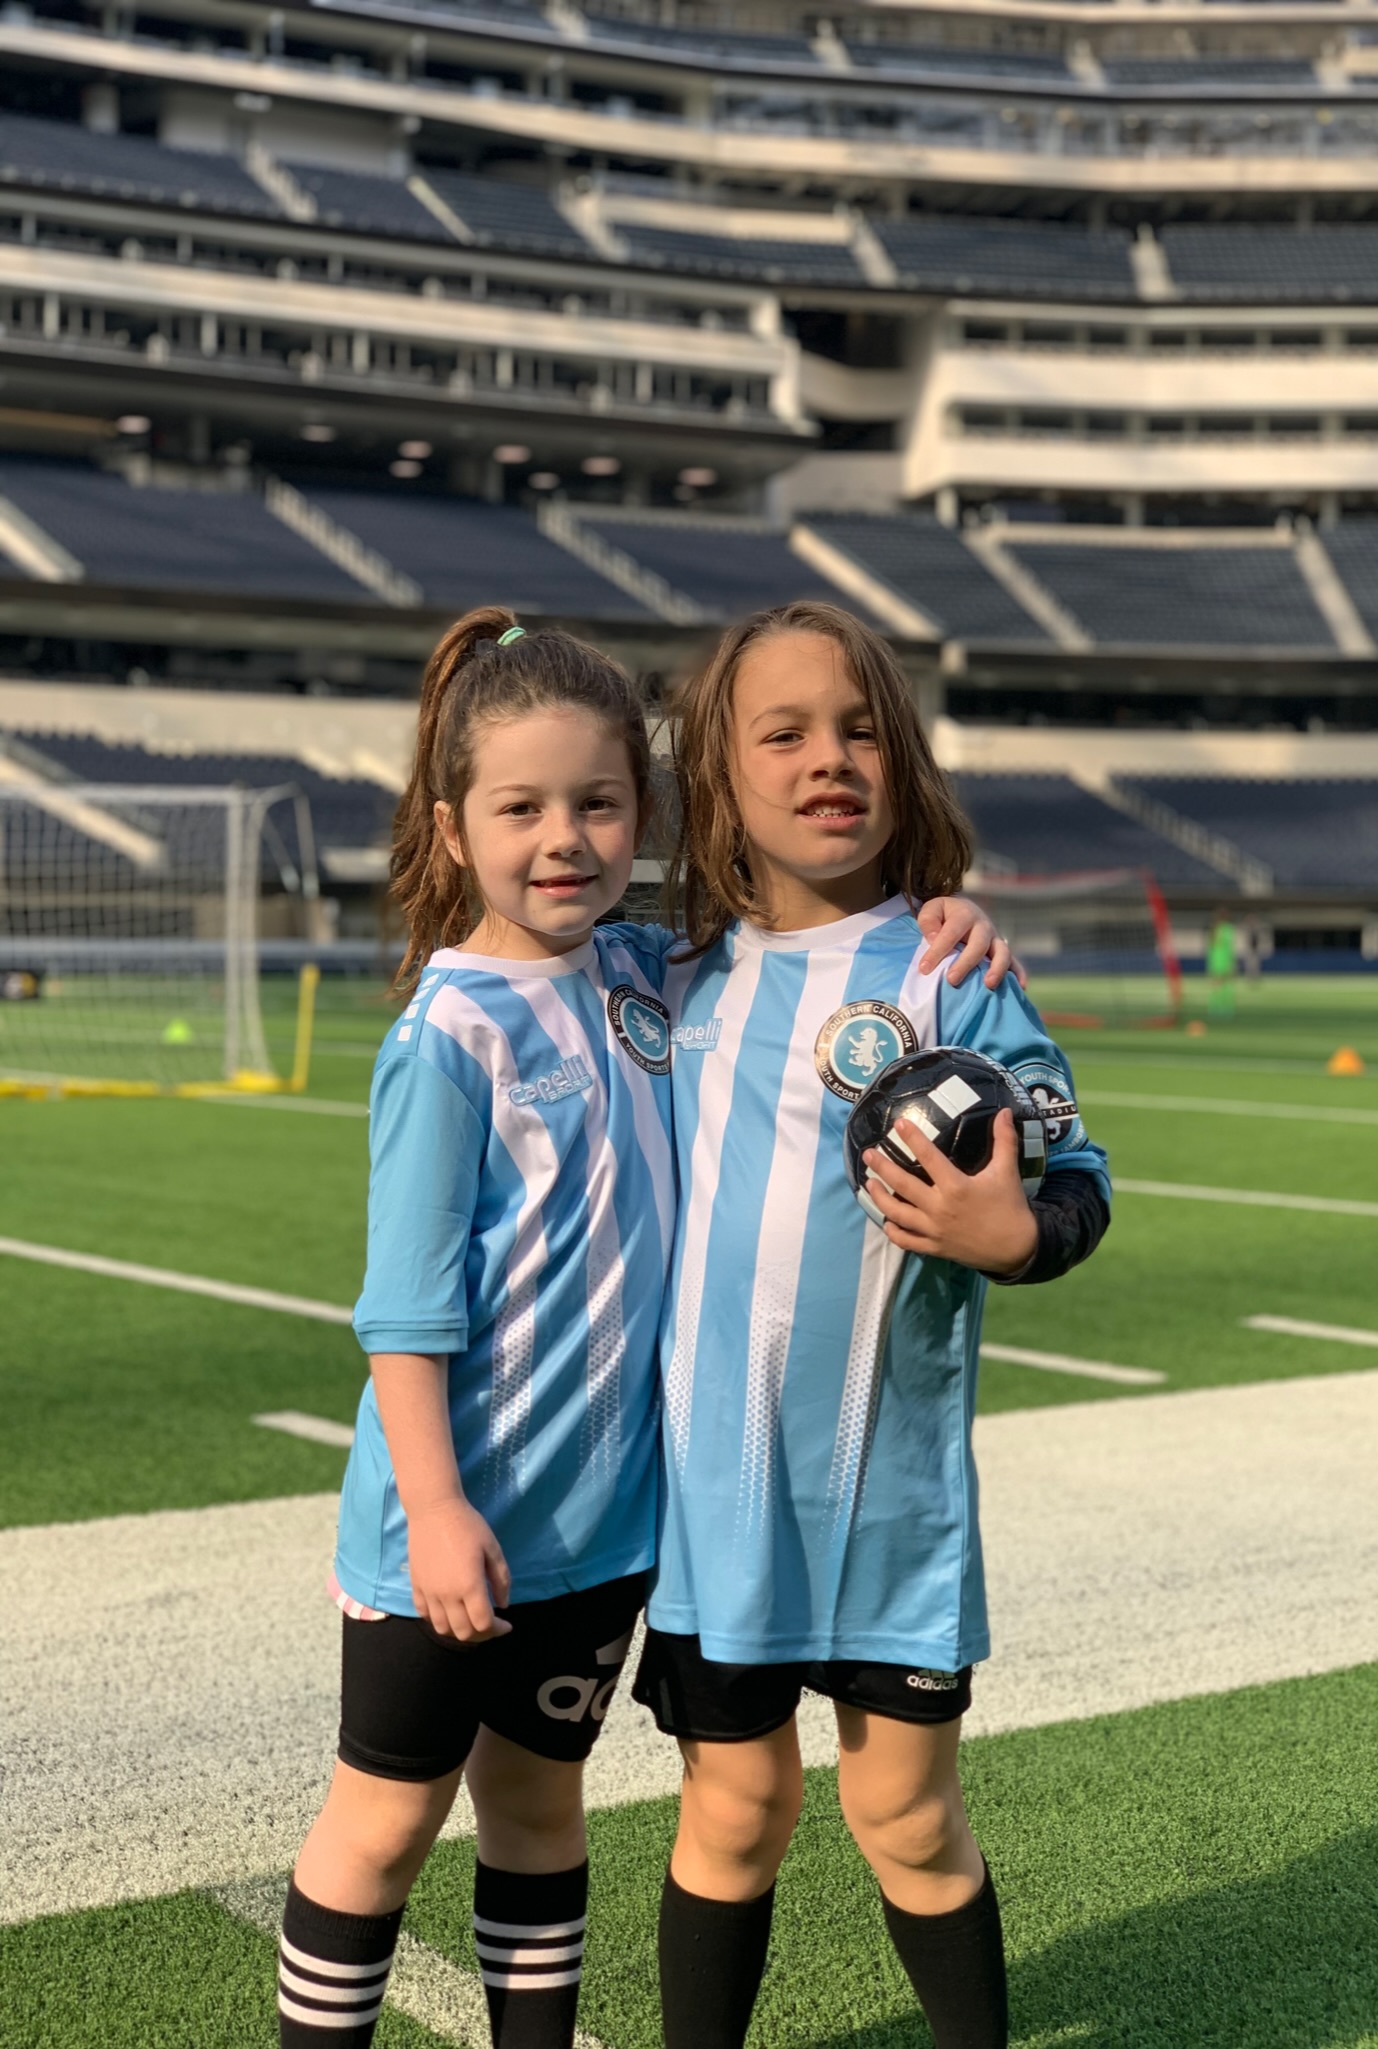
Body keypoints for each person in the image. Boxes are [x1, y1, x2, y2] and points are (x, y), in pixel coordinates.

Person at [279, 605, 1016, 2049]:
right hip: (449, 1531)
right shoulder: (447, 1037)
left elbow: (807, 969)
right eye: (522, 808)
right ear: (451, 826)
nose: (563, 836)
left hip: (604, 1539)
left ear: (647, 814)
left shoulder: (641, 974)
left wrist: (951, 907)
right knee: (378, 1828)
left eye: (598, 803)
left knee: (540, 1812)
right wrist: (431, 1504)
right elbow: (405, 1304)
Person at [634, 601, 1113, 2049]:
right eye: (781, 732)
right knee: (736, 1804)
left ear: (899, 760)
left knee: (905, 1808)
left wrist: (1010, 1232)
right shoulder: (662, 979)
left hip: (891, 1504)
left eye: (857, 730)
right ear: (719, 776)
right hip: (717, 1505)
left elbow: (1075, 1183)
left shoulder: (951, 974)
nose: (826, 757)